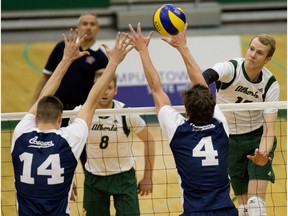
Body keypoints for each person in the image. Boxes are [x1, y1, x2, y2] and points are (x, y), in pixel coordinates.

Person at [11, 29, 133, 216]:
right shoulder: (69, 139)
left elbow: (44, 94)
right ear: (61, 119)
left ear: (36, 117)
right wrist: (114, 62)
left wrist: (65, 58)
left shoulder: (20, 134)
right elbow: (92, 100)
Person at [129, 23, 237, 216]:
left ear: (186, 112)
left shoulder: (178, 131)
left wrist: (143, 51)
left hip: (194, 211)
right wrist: (183, 47)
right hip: (226, 211)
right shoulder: (221, 125)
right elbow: (201, 84)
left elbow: (156, 89)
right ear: (212, 106)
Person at [202, 34, 279, 216]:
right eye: (251, 48)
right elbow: (205, 76)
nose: (252, 54)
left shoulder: (270, 84)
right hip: (229, 140)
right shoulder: (231, 69)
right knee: (243, 209)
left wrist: (264, 153)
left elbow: (269, 129)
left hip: (257, 139)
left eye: (259, 53)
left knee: (255, 205)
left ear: (267, 59)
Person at [71, 69, 155, 216]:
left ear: (115, 90)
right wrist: (69, 179)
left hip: (123, 177)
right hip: (94, 178)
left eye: (109, 88)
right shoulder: (80, 113)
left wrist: (148, 176)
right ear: (94, 89)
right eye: (101, 87)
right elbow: (70, 146)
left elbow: (150, 140)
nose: (104, 92)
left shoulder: (126, 114)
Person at [30, 13, 109, 169]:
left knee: (89, 159)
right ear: (78, 27)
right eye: (85, 23)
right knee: (53, 155)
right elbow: (45, 77)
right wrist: (34, 104)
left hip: (82, 114)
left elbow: (102, 88)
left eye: (92, 24)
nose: (88, 27)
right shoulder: (62, 48)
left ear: (98, 28)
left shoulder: (101, 57)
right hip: (55, 112)